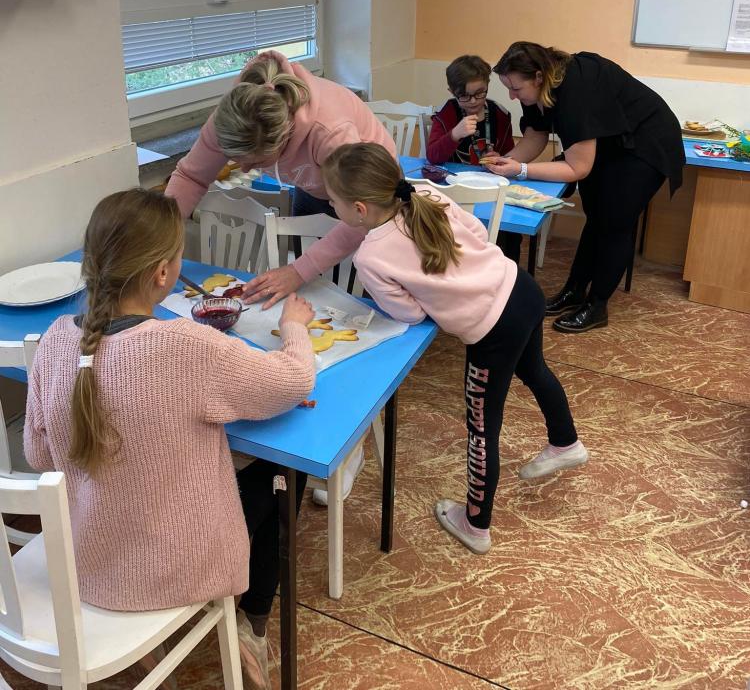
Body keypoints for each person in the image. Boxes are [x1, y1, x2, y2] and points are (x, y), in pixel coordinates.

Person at [24, 187, 316, 690]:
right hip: (175, 570)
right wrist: (294, 327)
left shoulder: (54, 341)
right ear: (163, 273)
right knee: (278, 473)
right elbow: (293, 381)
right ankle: (252, 625)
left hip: (86, 564)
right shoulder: (185, 346)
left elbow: (39, 455)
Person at [321, 143, 587, 555]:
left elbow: (409, 313)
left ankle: (476, 525)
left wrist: (435, 292)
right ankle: (566, 442)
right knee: (534, 369)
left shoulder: (370, 256)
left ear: (358, 209)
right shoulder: (425, 192)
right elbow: (477, 234)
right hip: (521, 288)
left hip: (493, 329)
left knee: (482, 428)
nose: (331, 206)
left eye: (332, 201)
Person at [165, 51, 397, 310]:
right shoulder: (234, 118)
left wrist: (299, 271)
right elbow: (191, 177)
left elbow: (368, 215)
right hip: (314, 186)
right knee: (309, 287)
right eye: (235, 159)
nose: (244, 168)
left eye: (257, 162)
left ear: (285, 138)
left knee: (355, 284)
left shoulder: (330, 134)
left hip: (371, 194)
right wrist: (161, 241)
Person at [487, 42, 684, 333]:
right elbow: (536, 135)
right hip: (608, 144)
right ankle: (575, 290)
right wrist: (506, 161)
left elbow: (577, 168)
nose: (512, 96)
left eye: (516, 89)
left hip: (646, 144)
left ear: (538, 77)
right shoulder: (540, 87)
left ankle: (597, 305)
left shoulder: (576, 92)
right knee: (596, 216)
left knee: (615, 223)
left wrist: (522, 170)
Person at [427, 54, 521, 262]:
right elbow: (432, 156)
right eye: (464, 96)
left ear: (487, 85)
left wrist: (501, 157)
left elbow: (510, 154)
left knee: (509, 234)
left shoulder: (499, 114)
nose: (473, 101)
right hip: (454, 195)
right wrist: (454, 134)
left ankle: (505, 268)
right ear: (452, 92)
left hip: (489, 191)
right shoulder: (447, 113)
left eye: (480, 93)